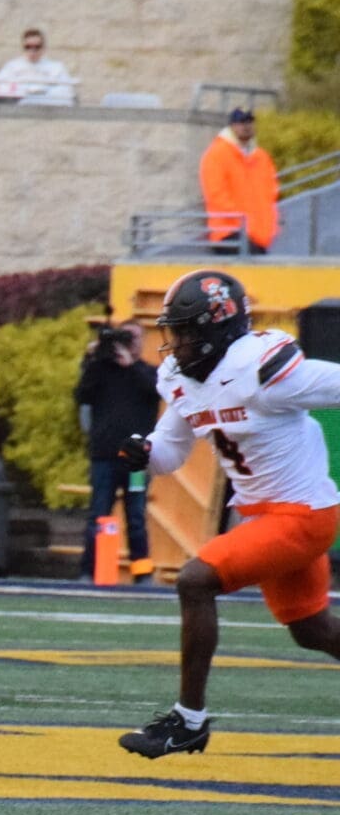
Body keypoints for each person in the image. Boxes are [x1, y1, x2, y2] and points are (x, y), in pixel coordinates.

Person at [112, 271, 340, 756]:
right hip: (265, 517)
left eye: (189, 331)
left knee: (196, 581)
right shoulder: (180, 378)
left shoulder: (262, 368)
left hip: (302, 515)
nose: (178, 344)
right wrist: (144, 453)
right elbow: (170, 452)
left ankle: (188, 720)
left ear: (220, 329)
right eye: (175, 332)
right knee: (312, 630)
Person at [75, 321, 160, 583]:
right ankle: (89, 572)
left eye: (133, 337)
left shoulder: (148, 371)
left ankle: (142, 573)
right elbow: (81, 395)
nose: (129, 342)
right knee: (98, 515)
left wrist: (130, 365)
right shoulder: (101, 370)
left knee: (136, 517)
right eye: (125, 337)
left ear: (142, 342)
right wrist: (91, 359)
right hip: (104, 457)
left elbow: (154, 390)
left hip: (134, 461)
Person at [200, 109, 279, 255]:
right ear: (232, 126)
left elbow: (271, 192)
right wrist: (242, 222)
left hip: (258, 236)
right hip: (228, 234)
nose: (246, 126)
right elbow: (216, 195)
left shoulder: (261, 157)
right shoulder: (217, 154)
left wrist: (267, 225)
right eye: (241, 122)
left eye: (249, 122)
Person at [0, 29, 76, 101]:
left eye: (37, 47)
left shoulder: (56, 67)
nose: (32, 51)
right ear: (23, 47)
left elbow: (67, 91)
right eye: (28, 47)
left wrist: (44, 92)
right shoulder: (12, 66)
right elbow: (2, 88)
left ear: (43, 48)